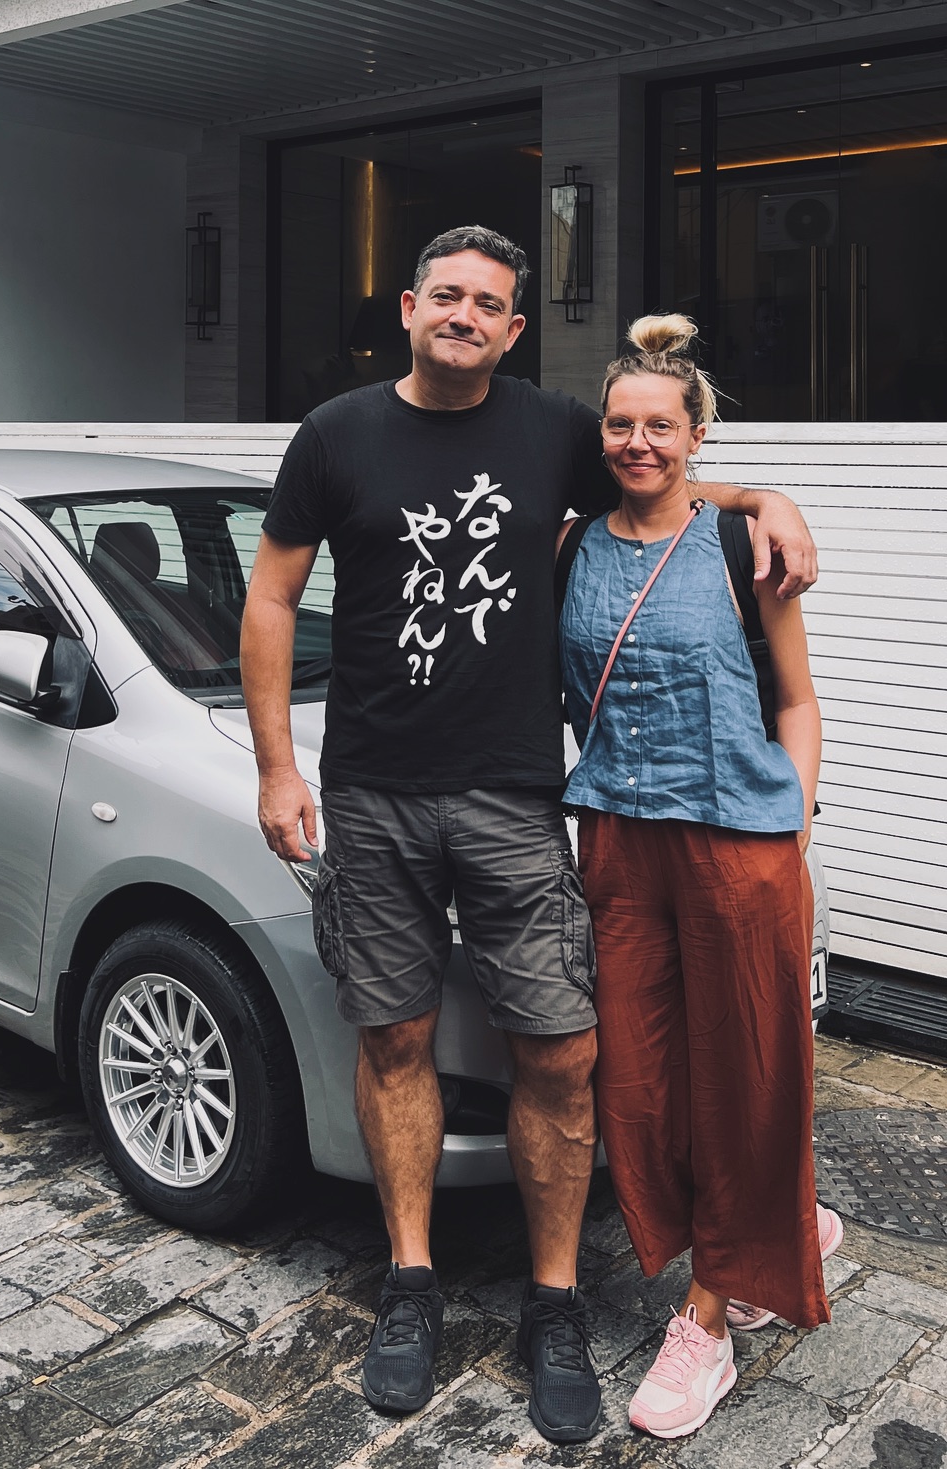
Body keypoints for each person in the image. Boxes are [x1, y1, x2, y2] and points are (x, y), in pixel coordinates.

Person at [240, 224, 819, 1443]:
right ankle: (411, 1281)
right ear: (409, 306)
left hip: (514, 799)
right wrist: (280, 763)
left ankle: (552, 1300)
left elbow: (658, 475)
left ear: (513, 328)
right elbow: (273, 594)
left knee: (562, 1051)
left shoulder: (556, 428)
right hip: (374, 792)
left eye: (487, 302)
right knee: (391, 1033)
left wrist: (767, 494)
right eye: (443, 293)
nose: (463, 313)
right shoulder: (335, 433)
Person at [558, 314, 837, 1441]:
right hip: (620, 842)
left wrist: (794, 824)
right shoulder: (571, 543)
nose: (637, 442)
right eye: (621, 424)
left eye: (659, 425)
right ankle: (775, 1222)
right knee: (637, 1081)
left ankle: (711, 1316)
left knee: (746, 1077)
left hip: (738, 845)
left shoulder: (743, 550)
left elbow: (798, 701)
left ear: (696, 432)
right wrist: (752, 488)